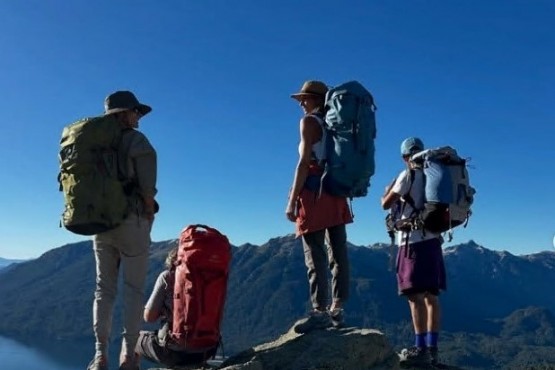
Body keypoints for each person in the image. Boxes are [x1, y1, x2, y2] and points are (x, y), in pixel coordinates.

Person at [88, 91, 158, 370]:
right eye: (136, 112)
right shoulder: (137, 142)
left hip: (100, 224)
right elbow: (147, 190)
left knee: (103, 290)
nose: (139, 118)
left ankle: (99, 355)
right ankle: (129, 357)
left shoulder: (92, 144)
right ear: (125, 113)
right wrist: (149, 214)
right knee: (133, 290)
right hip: (131, 221)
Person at [285, 80, 354, 333]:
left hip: (314, 192)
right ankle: (338, 309)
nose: (301, 103)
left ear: (317, 100)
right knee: (338, 253)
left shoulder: (309, 123)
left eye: (305, 98)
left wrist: (292, 200)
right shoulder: (337, 125)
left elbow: (304, 163)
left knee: (314, 253)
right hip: (336, 190)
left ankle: (320, 310)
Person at [380, 137, 447, 367]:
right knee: (432, 296)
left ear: (405, 157)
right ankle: (432, 349)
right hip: (434, 242)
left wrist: (387, 191)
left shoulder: (407, 175)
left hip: (412, 243)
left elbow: (386, 204)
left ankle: (419, 349)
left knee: (415, 297)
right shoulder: (434, 176)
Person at [135, 247, 217, 367]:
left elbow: (149, 317)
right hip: (206, 350)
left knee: (130, 340)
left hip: (174, 352)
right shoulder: (210, 278)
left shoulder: (167, 276)